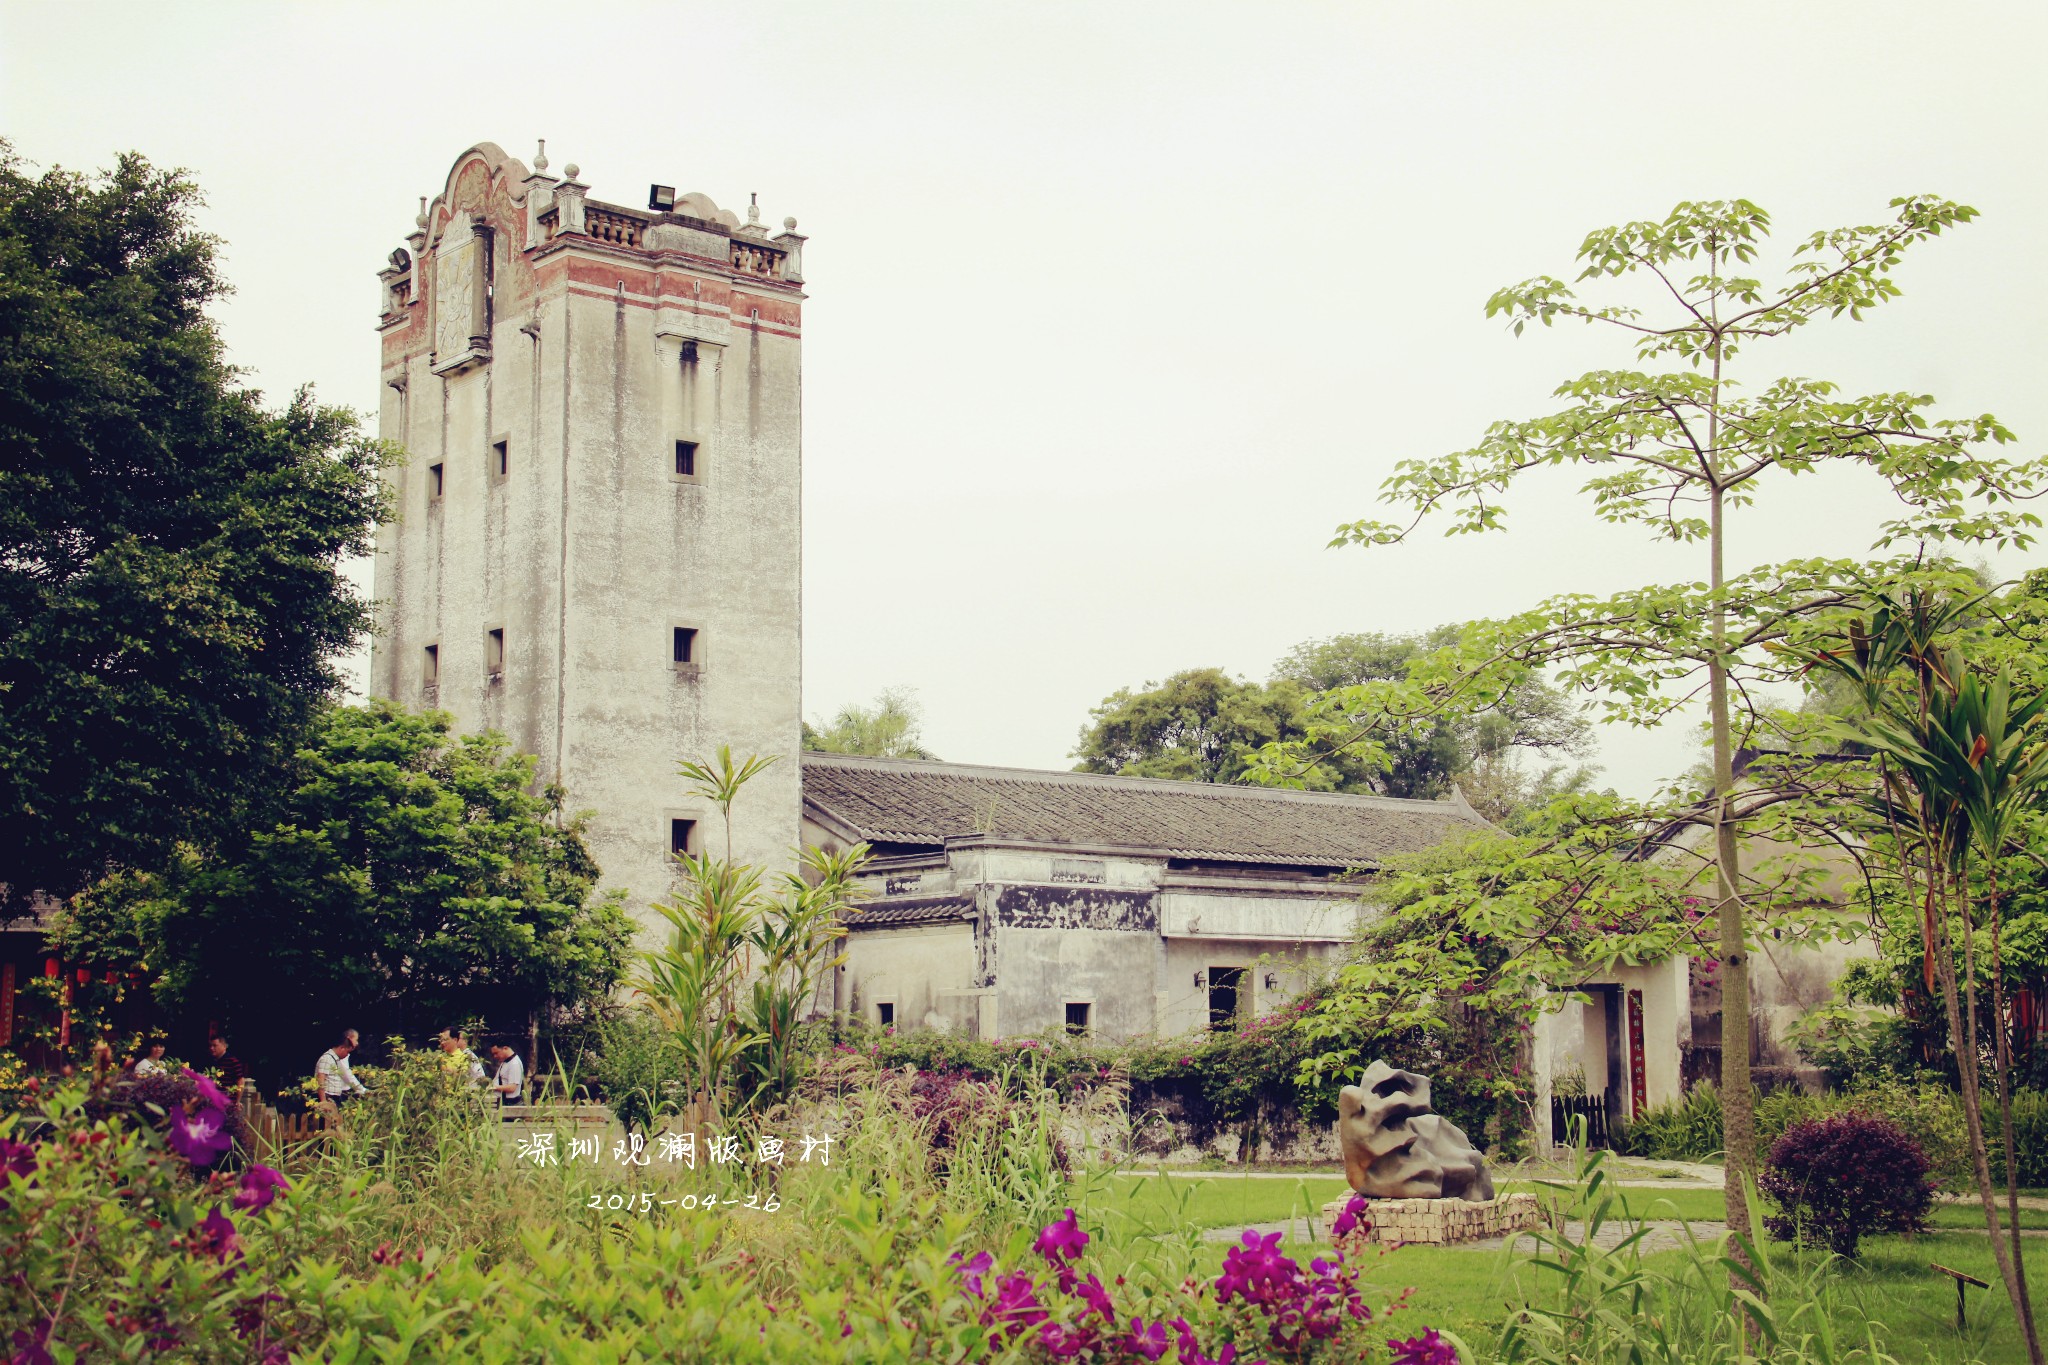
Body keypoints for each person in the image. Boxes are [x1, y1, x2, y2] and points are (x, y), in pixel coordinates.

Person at [315, 1035, 367, 1108]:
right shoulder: (326, 1058)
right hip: (328, 1096)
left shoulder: (335, 1059)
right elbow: (320, 1080)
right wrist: (323, 1101)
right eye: (347, 1052)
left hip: (335, 1097)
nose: (347, 1055)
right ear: (342, 1048)